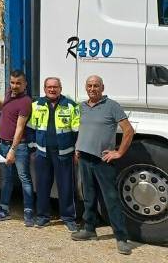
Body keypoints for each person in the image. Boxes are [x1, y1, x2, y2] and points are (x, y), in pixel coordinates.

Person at [72, 75, 135, 256]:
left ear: (102, 87)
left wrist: (119, 152)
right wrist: (78, 148)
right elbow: (83, 129)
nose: (93, 89)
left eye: (96, 86)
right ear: (86, 88)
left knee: (111, 200)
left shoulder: (112, 106)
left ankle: (121, 238)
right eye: (90, 86)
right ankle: (89, 229)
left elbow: (129, 131)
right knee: (88, 197)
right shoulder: (82, 107)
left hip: (102, 161)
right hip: (84, 157)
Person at [28, 77, 80, 231]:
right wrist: (32, 148)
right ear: (44, 89)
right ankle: (43, 217)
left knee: (66, 187)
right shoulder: (36, 105)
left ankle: (69, 218)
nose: (52, 89)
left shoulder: (71, 105)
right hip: (43, 153)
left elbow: (78, 131)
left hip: (64, 153)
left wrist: (76, 150)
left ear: (60, 88)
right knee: (42, 186)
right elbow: (30, 129)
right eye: (49, 87)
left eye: (55, 87)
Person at [0, 70, 35, 226]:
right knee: (6, 179)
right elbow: (6, 111)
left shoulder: (26, 101)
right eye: (12, 82)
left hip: (18, 146)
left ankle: (28, 211)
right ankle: (4, 209)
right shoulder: (10, 94)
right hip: (3, 144)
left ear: (25, 84)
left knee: (24, 179)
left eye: (18, 83)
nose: (14, 86)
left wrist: (12, 150)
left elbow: (20, 128)